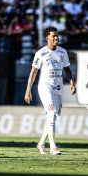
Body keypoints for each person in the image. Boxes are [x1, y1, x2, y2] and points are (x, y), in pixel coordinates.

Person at [25, 26, 76, 155]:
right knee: (52, 113)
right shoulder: (41, 53)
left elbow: (67, 69)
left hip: (57, 88)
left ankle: (41, 144)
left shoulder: (62, 52)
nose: (56, 38)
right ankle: (53, 147)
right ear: (47, 38)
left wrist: (72, 83)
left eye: (57, 35)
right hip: (45, 87)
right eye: (53, 36)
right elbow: (33, 72)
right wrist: (28, 90)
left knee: (52, 118)